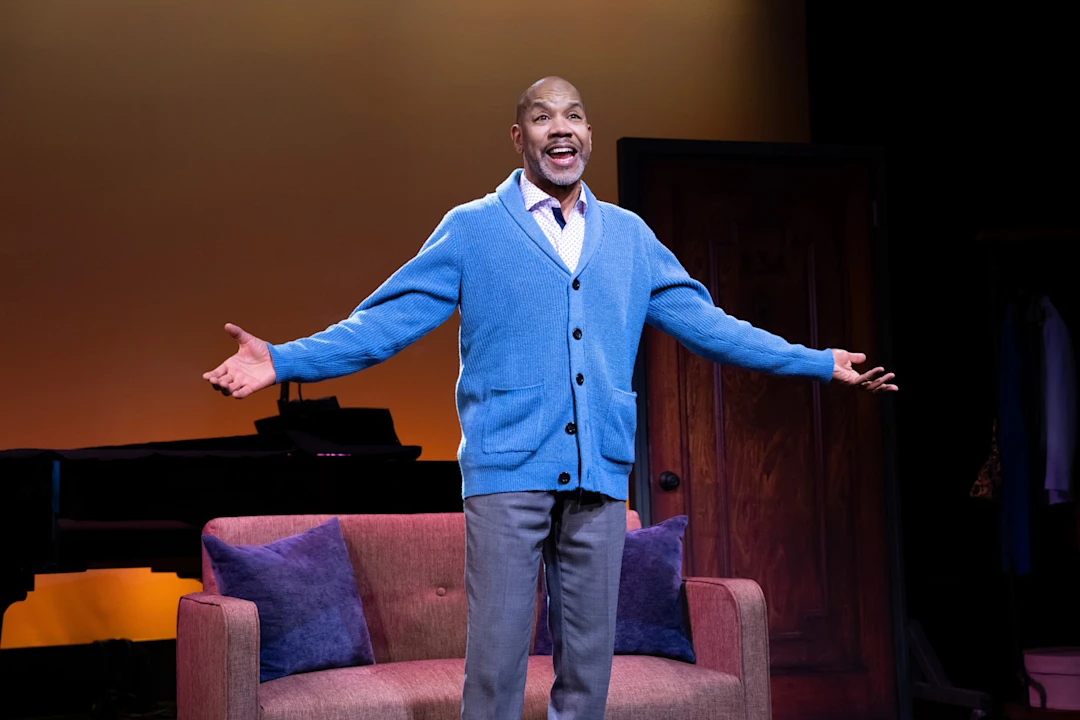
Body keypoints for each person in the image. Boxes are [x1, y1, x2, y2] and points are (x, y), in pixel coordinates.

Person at [202, 76, 897, 720]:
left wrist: (815, 361)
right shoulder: (472, 228)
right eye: (541, 117)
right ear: (518, 137)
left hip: (599, 470)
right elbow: (385, 322)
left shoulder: (629, 236)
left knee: (588, 672)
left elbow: (710, 326)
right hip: (507, 473)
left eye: (572, 115)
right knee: (498, 670)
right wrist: (284, 359)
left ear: (589, 135)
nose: (559, 128)